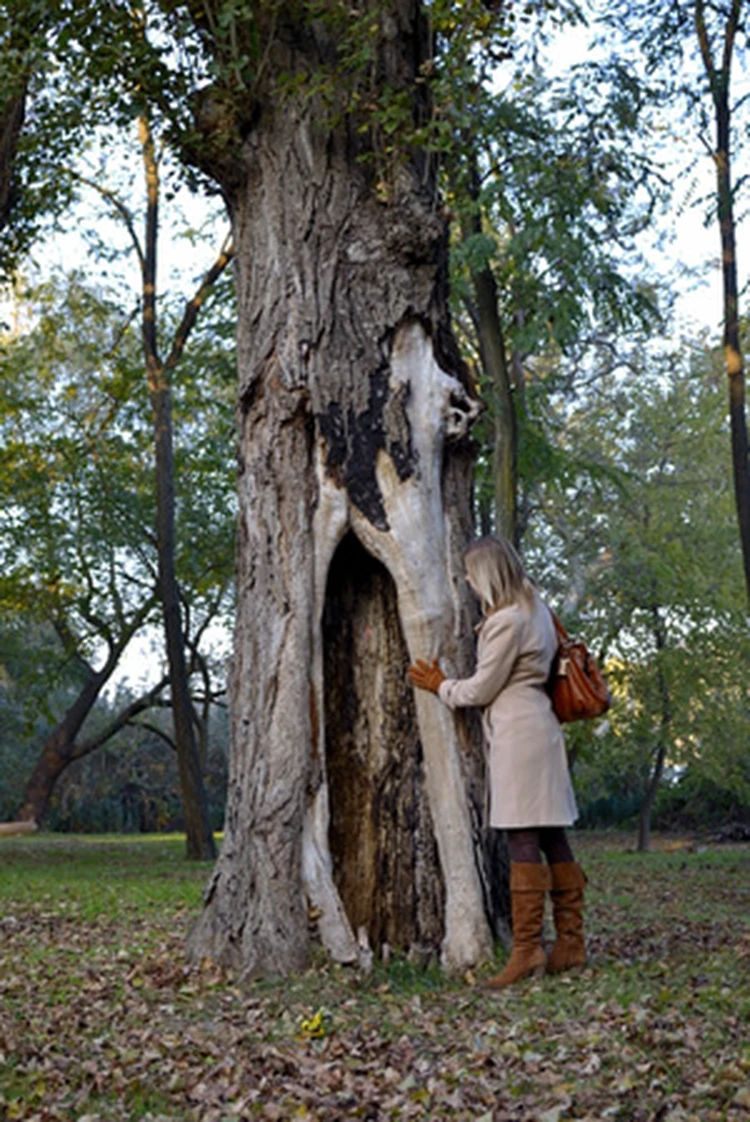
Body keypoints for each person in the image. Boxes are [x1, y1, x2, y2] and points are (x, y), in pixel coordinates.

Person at [408, 535, 587, 988]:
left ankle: (528, 951)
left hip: (518, 735)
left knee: (522, 838)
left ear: (486, 575)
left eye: (471, 574)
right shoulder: (537, 609)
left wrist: (441, 685)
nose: (467, 581)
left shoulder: (506, 621)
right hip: (540, 729)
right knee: (552, 834)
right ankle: (570, 942)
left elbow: (480, 690)